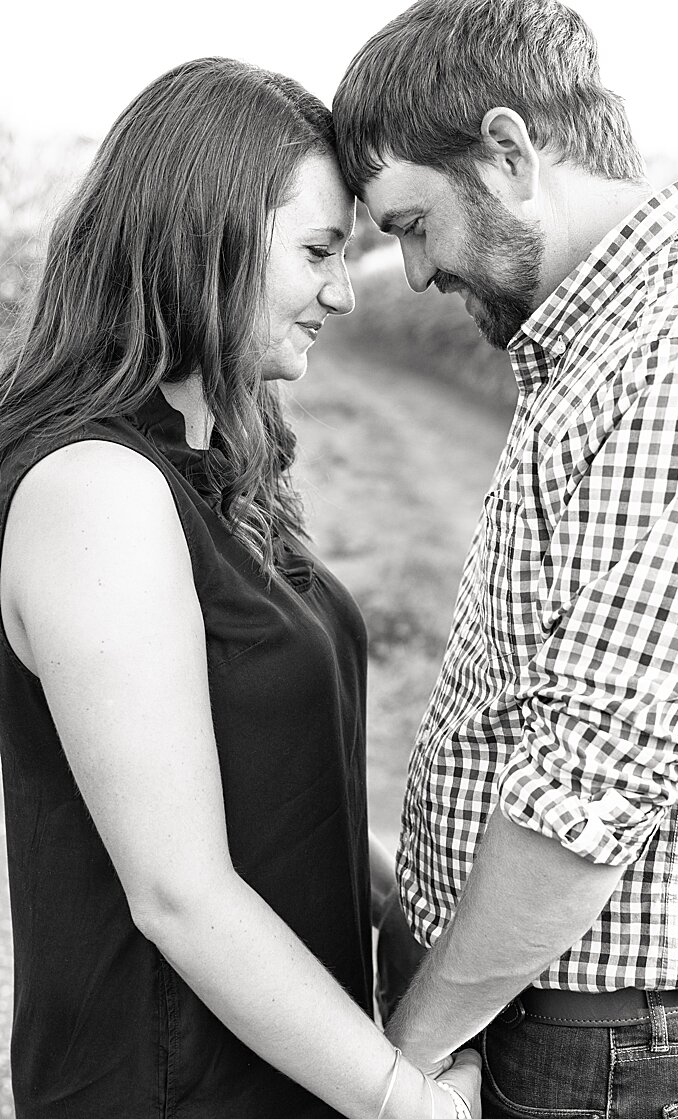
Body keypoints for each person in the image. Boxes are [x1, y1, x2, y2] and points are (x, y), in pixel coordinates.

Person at [0, 58, 478, 1118]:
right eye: (318, 252)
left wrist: (420, 897)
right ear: (203, 235)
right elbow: (181, 893)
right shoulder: (97, 492)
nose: (347, 293)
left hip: (275, 1071)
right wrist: (411, 1104)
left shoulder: (216, 472)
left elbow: (265, 782)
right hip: (166, 1088)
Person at [329, 1, 678, 1115]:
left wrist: (402, 1060)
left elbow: (596, 780)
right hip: (543, 1026)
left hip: (607, 1059)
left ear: (511, 155)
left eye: (413, 224)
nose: (410, 272)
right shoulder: (587, 341)